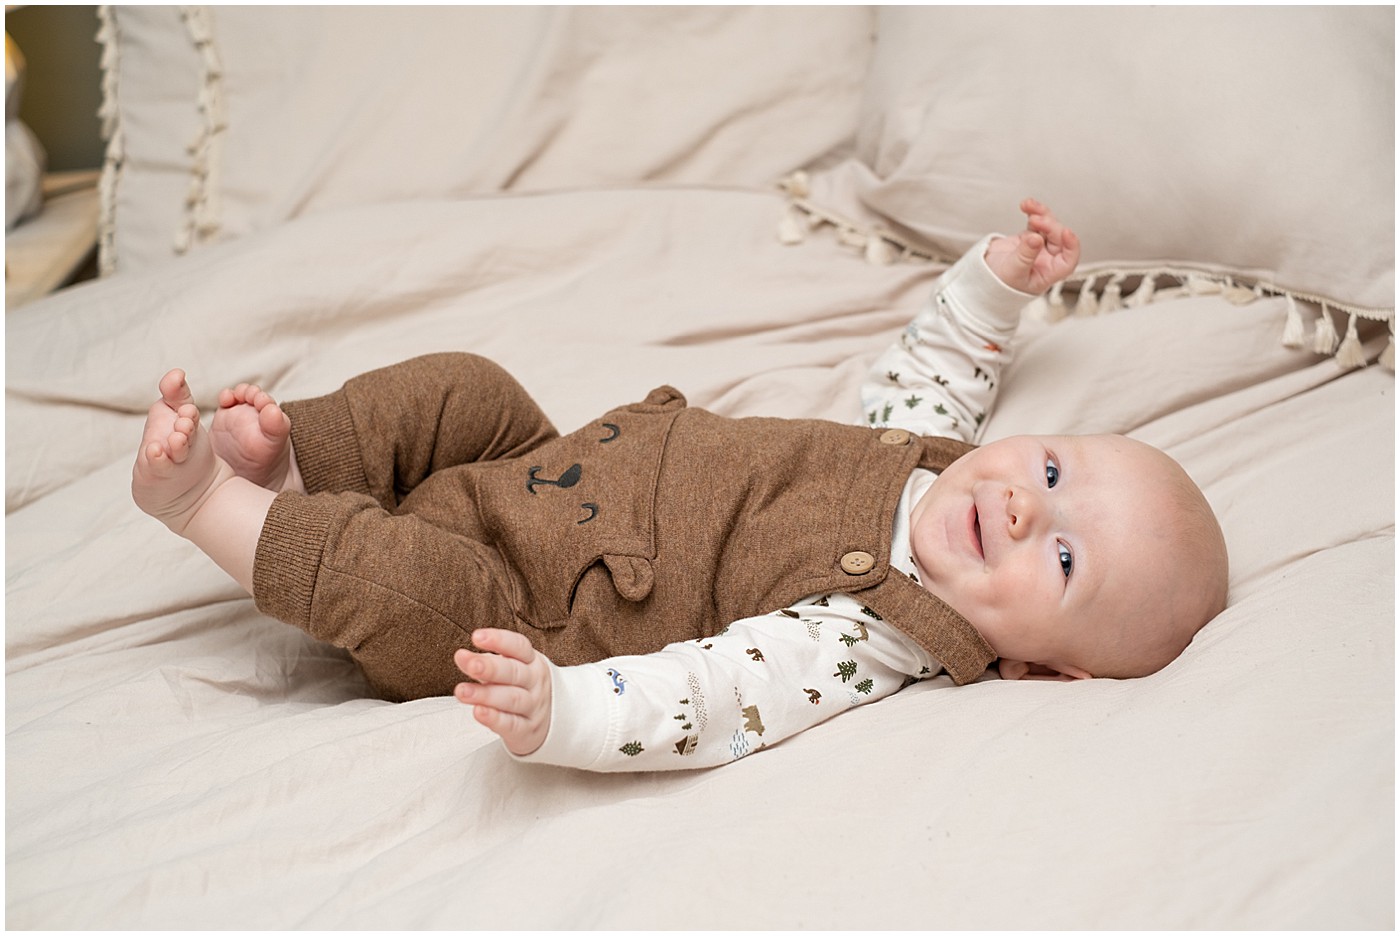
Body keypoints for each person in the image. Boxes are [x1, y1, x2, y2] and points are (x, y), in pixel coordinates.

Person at [131, 199, 1229, 771]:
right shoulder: (933, 463)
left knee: (405, 582)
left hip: (521, 599)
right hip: (541, 464)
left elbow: (709, 700)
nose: (1029, 507)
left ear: (1038, 668)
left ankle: (209, 507)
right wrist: (994, 287)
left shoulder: (869, 638)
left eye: (1066, 558)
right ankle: (307, 463)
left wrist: (558, 711)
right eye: (1050, 468)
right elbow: (932, 369)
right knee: (466, 389)